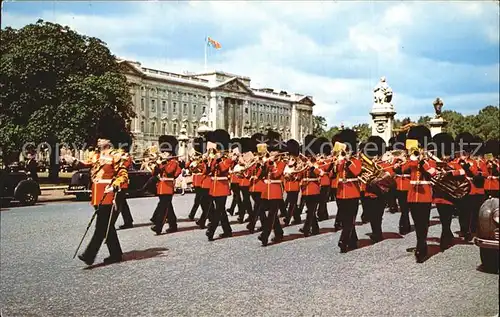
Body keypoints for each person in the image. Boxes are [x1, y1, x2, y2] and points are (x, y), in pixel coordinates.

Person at [76, 138, 129, 265]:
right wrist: (73, 161)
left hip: (108, 192)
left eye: (102, 138)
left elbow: (123, 174)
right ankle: (116, 254)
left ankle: (89, 255)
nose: (98, 140)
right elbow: (86, 165)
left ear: (109, 140)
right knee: (107, 226)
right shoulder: (96, 155)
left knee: (101, 226)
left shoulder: (116, 155)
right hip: (97, 194)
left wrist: (115, 185)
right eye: (98, 138)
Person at [116, 145, 134, 229]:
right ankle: (128, 221)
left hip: (122, 182)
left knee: (119, 203)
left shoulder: (127, 158)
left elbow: (122, 168)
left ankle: (110, 223)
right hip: (117, 182)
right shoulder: (120, 157)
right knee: (122, 203)